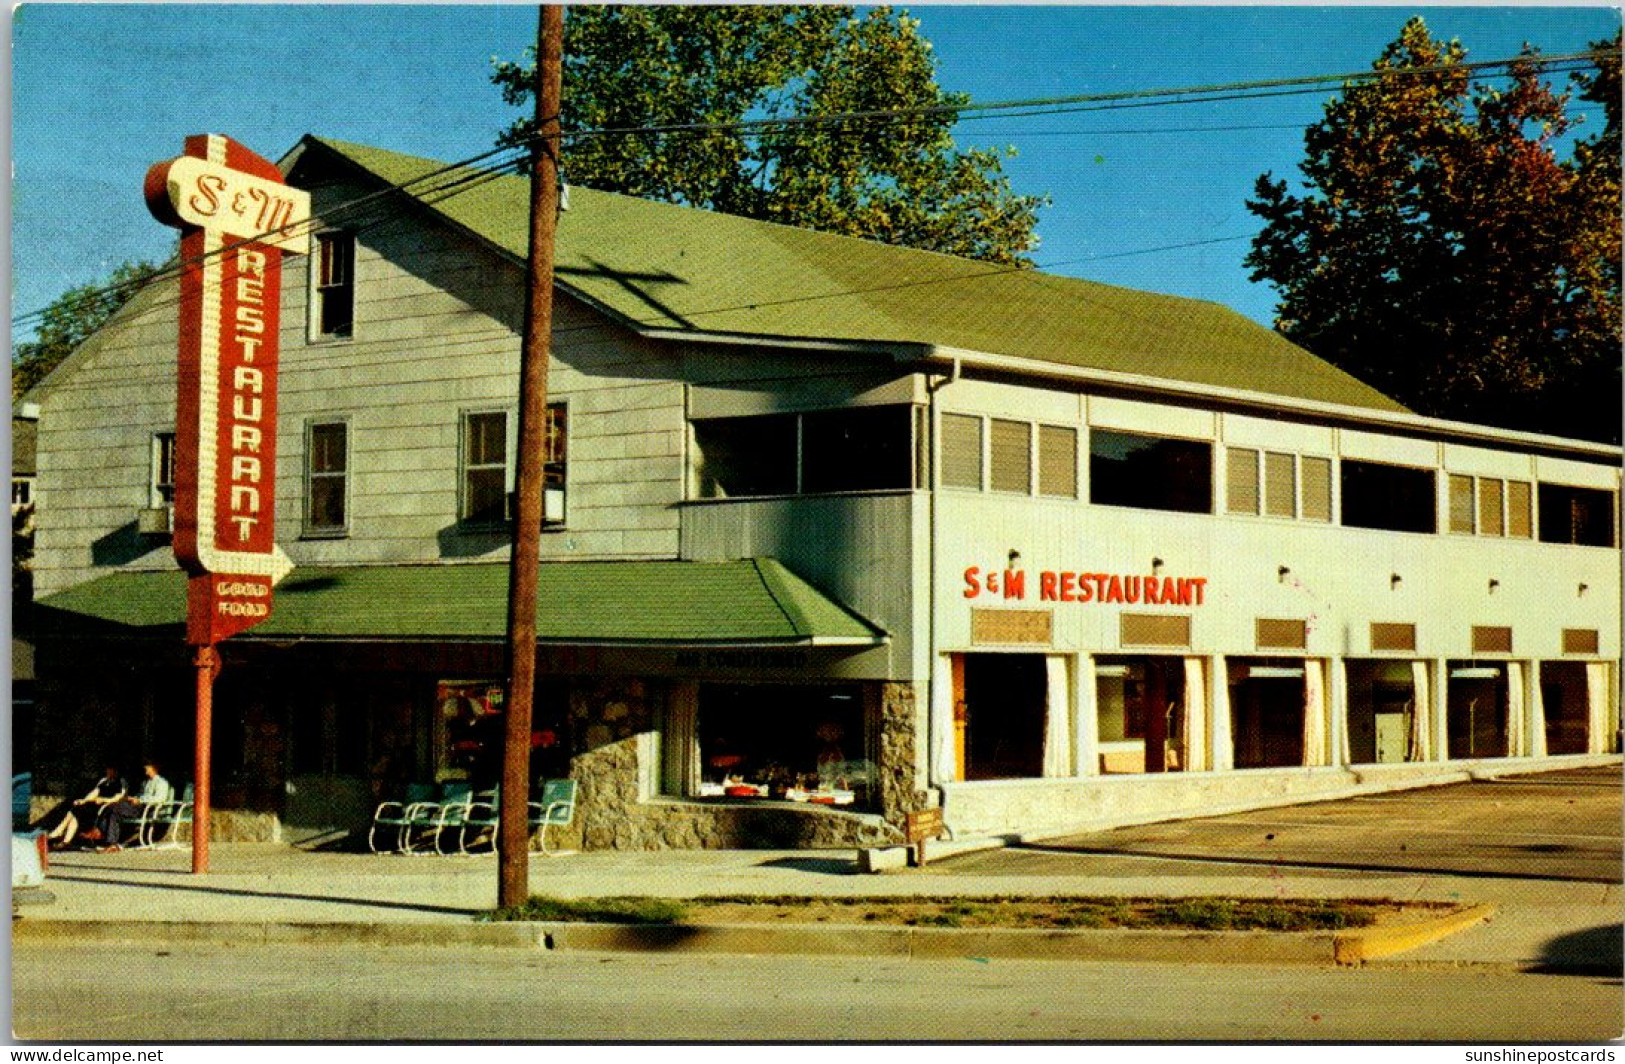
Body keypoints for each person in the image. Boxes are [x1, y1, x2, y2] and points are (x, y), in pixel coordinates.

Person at [96, 760, 173, 853]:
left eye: (147, 766)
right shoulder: (146, 782)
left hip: (147, 809)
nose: (145, 768)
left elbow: (160, 799)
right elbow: (142, 795)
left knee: (114, 808)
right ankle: (109, 841)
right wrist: (133, 798)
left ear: (154, 768)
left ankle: (101, 832)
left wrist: (140, 800)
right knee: (112, 809)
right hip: (139, 807)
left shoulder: (161, 782)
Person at [45, 765, 125, 850]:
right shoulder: (104, 781)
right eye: (107, 770)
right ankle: (65, 840)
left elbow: (119, 797)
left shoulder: (121, 782)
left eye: (110, 770)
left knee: (76, 812)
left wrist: (104, 800)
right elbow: (95, 792)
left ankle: (58, 833)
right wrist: (84, 800)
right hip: (94, 804)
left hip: (105, 806)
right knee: (76, 810)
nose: (108, 772)